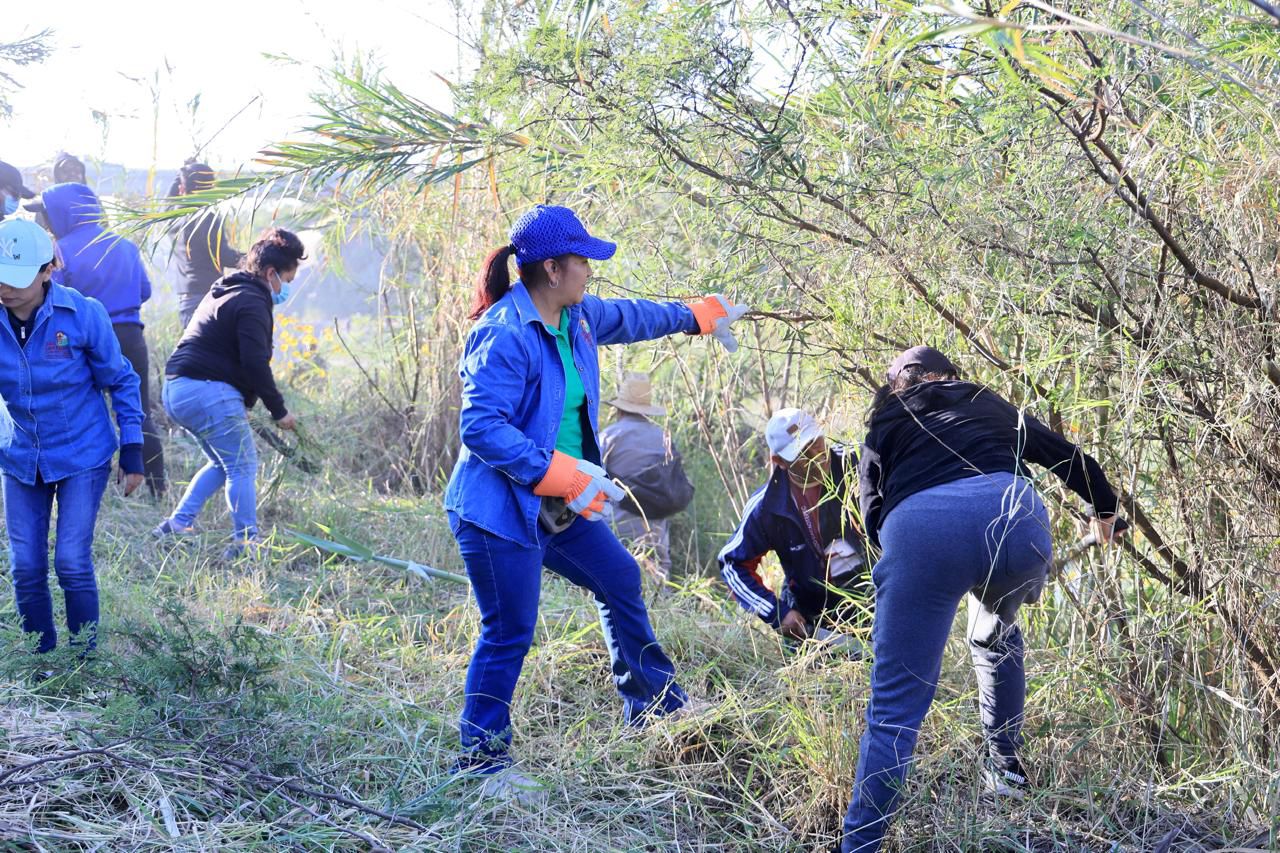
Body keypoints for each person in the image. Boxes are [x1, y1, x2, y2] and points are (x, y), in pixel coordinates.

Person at [443, 204, 749, 800]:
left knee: (619, 579)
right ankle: (481, 763)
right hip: (499, 511)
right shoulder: (503, 333)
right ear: (552, 269)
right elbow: (480, 427)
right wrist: (560, 474)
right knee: (508, 631)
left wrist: (696, 316)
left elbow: (633, 316)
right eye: (582, 260)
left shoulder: (576, 319)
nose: (590, 271)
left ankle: (656, 709)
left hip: (557, 503)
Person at [838, 346, 1125, 852]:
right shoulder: (985, 400)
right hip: (1016, 523)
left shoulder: (887, 419)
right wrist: (1104, 511)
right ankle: (1007, 773)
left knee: (895, 709)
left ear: (897, 383)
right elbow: (1069, 456)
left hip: (922, 531)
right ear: (949, 374)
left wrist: (915, 567)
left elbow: (872, 512)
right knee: (994, 631)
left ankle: (859, 844)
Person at [0, 218, 145, 655]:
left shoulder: (82, 314)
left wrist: (133, 448)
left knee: (71, 562)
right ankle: (40, 658)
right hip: (21, 455)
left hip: (82, 452)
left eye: (16, 278)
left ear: (48, 270)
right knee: (25, 566)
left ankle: (85, 658)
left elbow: (120, 380)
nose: (5, 288)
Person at [153, 227, 304, 558]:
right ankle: (246, 545)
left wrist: (242, 401)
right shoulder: (253, 301)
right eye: (287, 280)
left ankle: (177, 524)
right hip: (205, 390)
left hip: (178, 389)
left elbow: (230, 355)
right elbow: (254, 362)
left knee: (223, 463)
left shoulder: (228, 289)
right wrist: (279, 411)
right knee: (244, 466)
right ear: (270, 273)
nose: (286, 289)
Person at [29, 182, 167, 496]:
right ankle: (160, 490)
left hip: (78, 339)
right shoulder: (124, 245)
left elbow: (49, 298)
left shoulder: (60, 250)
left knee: (82, 412)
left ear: (62, 214)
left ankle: (86, 488)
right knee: (137, 409)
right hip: (131, 337)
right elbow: (144, 291)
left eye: (47, 214)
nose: (45, 221)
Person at [718, 408, 869, 642]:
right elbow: (732, 563)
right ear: (779, 461)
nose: (817, 457)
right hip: (814, 619)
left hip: (877, 603)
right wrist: (778, 614)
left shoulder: (859, 462)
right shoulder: (768, 505)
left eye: (816, 443)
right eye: (802, 453)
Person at [600, 372, 689, 583]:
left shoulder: (609, 436)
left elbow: (592, 480)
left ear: (619, 408)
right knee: (658, 575)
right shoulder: (663, 438)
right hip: (655, 528)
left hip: (616, 524)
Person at [167, 161, 244, 329]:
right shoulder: (207, 219)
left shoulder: (172, 218)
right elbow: (224, 256)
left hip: (186, 300)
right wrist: (254, 258)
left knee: (196, 352)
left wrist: (181, 173)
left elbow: (169, 200)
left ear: (182, 188)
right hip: (208, 296)